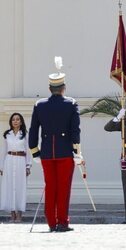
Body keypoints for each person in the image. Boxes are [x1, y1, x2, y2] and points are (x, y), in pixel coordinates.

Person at [29, 57, 83, 232]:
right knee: (63, 189)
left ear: (50, 88)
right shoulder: (71, 104)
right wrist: (77, 151)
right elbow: (75, 130)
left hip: (46, 153)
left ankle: (52, 223)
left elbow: (33, 130)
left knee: (50, 187)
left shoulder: (39, 105)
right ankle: (62, 222)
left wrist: (35, 152)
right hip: (65, 153)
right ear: (63, 87)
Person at [0, 113, 32, 223]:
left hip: (21, 161)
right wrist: (1, 167)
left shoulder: (25, 134)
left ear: (21, 121)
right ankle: (12, 214)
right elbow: (3, 151)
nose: (15, 121)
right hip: (9, 161)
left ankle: (19, 214)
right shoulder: (7, 135)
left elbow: (28, 151)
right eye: (13, 119)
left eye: (18, 119)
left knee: (20, 187)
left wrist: (28, 166)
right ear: (11, 122)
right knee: (9, 187)